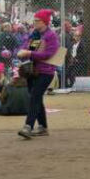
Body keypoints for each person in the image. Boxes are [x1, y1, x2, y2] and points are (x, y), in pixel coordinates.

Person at [16, 9, 60, 139]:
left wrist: (29, 53)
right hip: (32, 70)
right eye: (34, 20)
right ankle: (42, 127)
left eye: (37, 20)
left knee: (35, 96)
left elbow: (48, 54)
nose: (34, 22)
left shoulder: (51, 36)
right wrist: (22, 52)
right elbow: (25, 46)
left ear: (44, 22)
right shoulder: (34, 34)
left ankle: (28, 126)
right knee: (36, 97)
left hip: (46, 72)